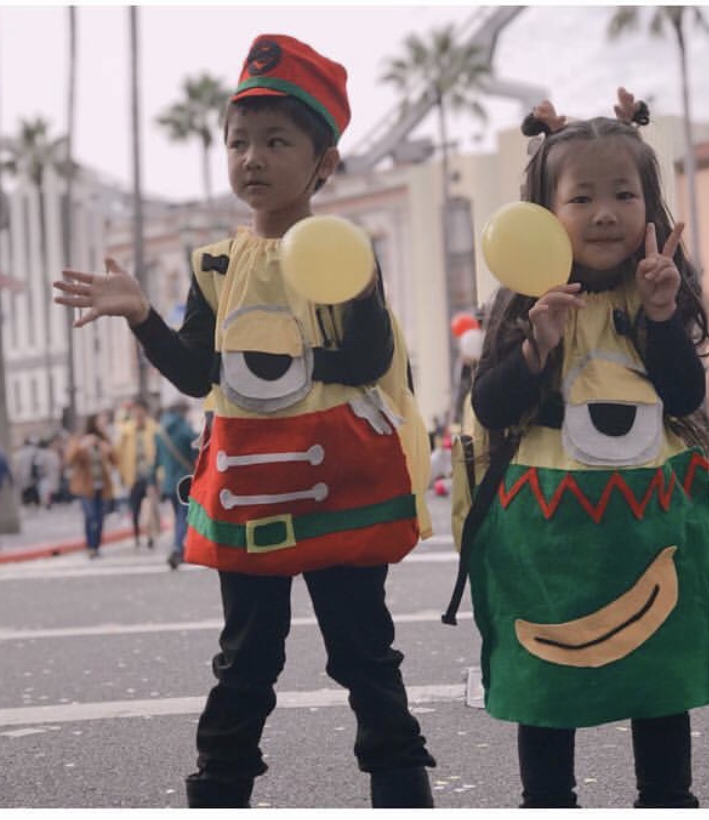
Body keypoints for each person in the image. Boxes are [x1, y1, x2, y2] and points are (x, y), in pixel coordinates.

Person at [53, 33, 437, 808]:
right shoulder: (213, 264)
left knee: (364, 653)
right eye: (238, 143)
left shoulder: (341, 250)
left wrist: (323, 323)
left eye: (275, 142)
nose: (252, 158)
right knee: (246, 656)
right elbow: (201, 374)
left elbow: (365, 359)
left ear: (323, 162)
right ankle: (218, 792)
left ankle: (402, 794)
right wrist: (142, 319)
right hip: (247, 482)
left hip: (342, 477)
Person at [449, 94, 709, 809]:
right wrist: (536, 345)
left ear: (651, 207)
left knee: (660, 679)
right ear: (545, 212)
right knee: (546, 683)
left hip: (649, 527)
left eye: (624, 194)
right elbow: (490, 405)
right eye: (582, 197)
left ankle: (666, 799)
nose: (605, 212)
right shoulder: (524, 303)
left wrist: (665, 315)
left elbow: (682, 392)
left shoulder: (659, 295)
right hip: (547, 536)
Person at [64, 415, 117, 559]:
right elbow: (70, 459)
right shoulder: (80, 439)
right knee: (91, 516)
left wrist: (109, 450)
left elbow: (115, 460)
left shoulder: (104, 439)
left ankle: (96, 546)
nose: (103, 424)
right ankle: (90, 546)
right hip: (85, 486)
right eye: (101, 421)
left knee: (100, 517)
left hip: (102, 485)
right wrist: (82, 446)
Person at [155, 400, 198, 570]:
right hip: (184, 479)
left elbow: (157, 459)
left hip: (168, 481)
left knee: (178, 515)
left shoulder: (160, 431)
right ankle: (178, 548)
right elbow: (197, 446)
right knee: (184, 516)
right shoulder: (183, 428)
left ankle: (178, 546)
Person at [114, 398, 162, 549]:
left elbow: (159, 451)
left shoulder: (154, 428)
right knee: (134, 508)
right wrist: (122, 474)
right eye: (136, 411)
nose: (138, 414)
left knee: (150, 507)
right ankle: (136, 535)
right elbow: (119, 454)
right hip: (133, 475)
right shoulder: (126, 431)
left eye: (141, 411)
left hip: (150, 475)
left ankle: (150, 535)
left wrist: (160, 473)